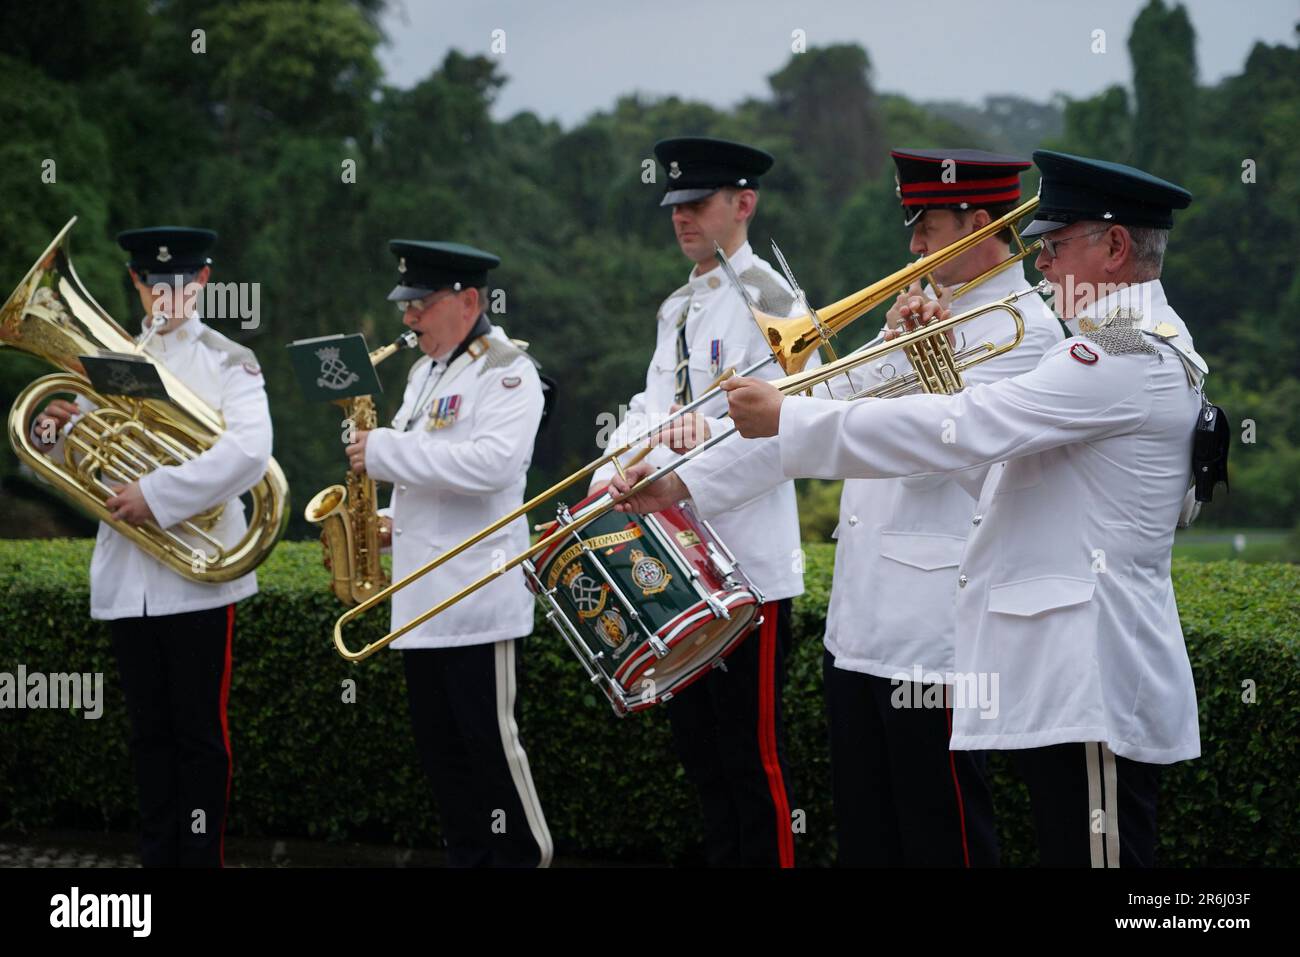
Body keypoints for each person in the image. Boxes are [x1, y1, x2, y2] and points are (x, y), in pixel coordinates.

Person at [687, 150, 1206, 867]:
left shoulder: (1118, 357)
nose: (1044, 262)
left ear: (1114, 247)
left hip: (1089, 670)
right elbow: (989, 478)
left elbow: (963, 432)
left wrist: (791, 416)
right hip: (1046, 665)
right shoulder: (1099, 350)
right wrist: (685, 476)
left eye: (1054, 245)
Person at [632, 149, 1062, 866]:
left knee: (943, 834)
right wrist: (680, 479)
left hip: (936, 636)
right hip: (860, 626)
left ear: (981, 222)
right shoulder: (922, 308)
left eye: (926, 225)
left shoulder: (1029, 333)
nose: (913, 244)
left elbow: (935, 454)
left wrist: (932, 366)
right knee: (869, 836)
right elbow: (811, 407)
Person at [590, 136, 809, 867]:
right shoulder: (678, 307)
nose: (681, 217)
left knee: (754, 765)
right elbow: (651, 407)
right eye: (675, 206)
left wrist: (677, 470)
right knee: (705, 760)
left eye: (698, 203)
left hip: (748, 563)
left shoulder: (776, 302)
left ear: (743, 203)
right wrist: (609, 473)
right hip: (683, 563)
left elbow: (782, 434)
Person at [32, 226, 273, 867]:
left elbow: (250, 452)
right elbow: (81, 455)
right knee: (149, 737)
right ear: (136, 283)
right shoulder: (113, 357)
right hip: (129, 579)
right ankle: (157, 860)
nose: (164, 294)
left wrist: (159, 495)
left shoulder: (229, 360)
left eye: (178, 283)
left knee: (199, 736)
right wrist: (53, 430)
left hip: (196, 573)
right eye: (150, 282)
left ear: (203, 283)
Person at [344, 239, 552, 867]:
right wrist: (384, 520)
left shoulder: (510, 370)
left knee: (493, 756)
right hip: (419, 606)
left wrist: (379, 452)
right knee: (445, 767)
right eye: (406, 305)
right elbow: (428, 480)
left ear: (468, 301)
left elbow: (493, 466)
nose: (408, 319)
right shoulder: (423, 372)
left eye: (421, 305)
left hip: (475, 599)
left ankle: (522, 861)